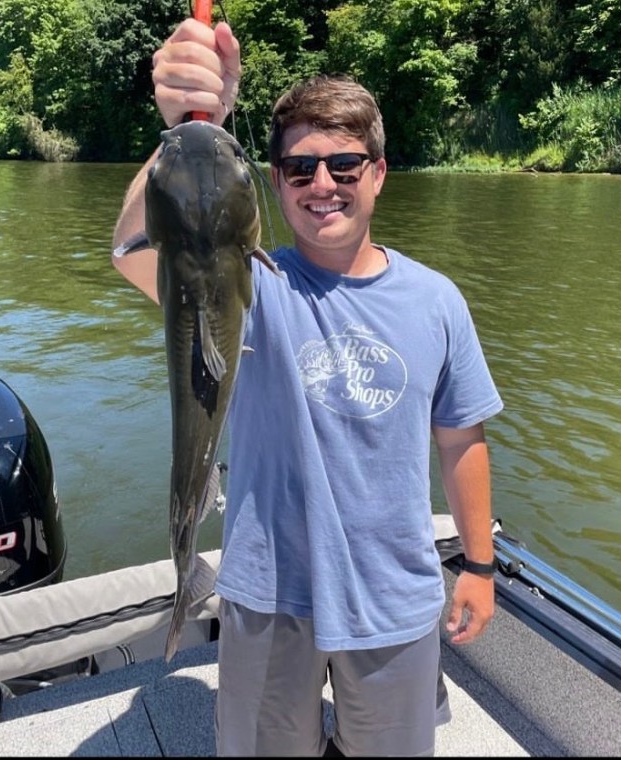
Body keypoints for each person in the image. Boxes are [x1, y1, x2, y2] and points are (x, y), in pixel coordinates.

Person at [111, 18, 503, 757]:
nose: (323, 185)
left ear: (378, 173)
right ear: (274, 184)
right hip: (268, 594)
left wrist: (479, 567)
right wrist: (187, 131)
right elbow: (133, 252)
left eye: (344, 166)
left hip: (394, 598)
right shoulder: (245, 284)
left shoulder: (437, 301)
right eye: (299, 169)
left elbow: (461, 441)